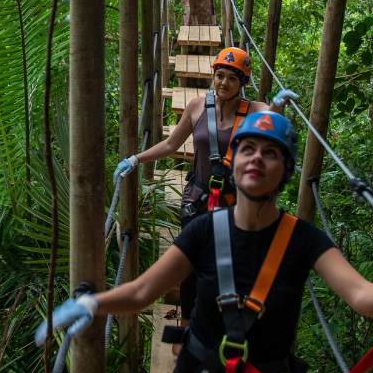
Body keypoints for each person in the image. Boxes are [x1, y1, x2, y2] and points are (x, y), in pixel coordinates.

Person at [36, 111, 373, 373]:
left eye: (271, 153)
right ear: (233, 163)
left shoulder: (305, 240)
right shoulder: (203, 231)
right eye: (248, 148)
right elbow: (144, 291)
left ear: (286, 170)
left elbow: (360, 294)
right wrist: (93, 303)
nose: (257, 158)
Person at [112, 47, 297, 354]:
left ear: (243, 83)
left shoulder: (254, 111)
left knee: (228, 270)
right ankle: (186, 329)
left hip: (235, 205)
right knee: (191, 268)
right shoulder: (197, 106)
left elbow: (272, 118)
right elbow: (171, 144)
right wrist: (135, 159)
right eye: (220, 76)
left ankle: (218, 333)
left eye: (232, 79)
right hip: (197, 199)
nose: (224, 83)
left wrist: (278, 104)